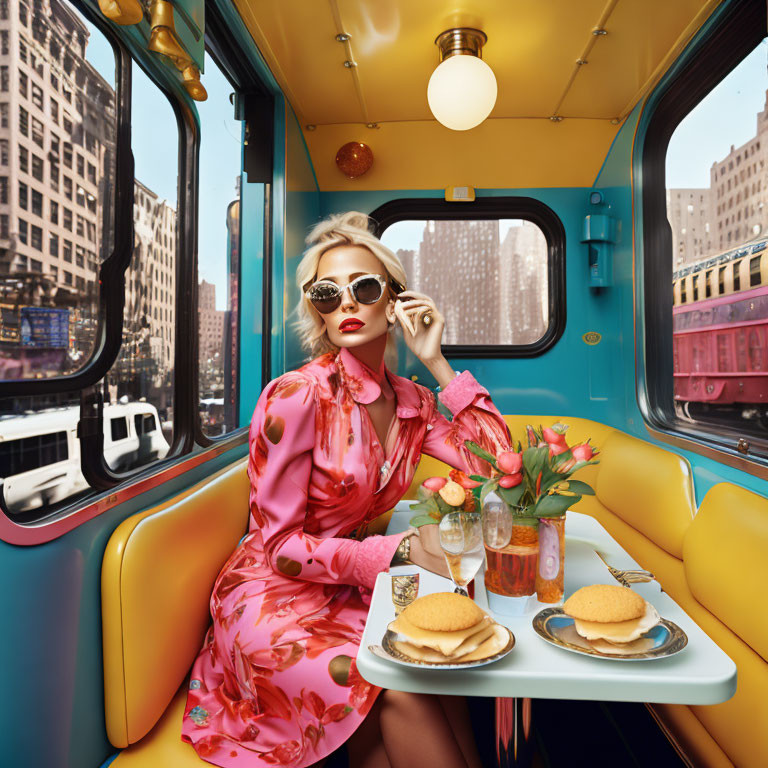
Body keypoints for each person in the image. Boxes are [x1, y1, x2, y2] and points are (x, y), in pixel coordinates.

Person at [182, 212, 512, 767]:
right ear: (318, 310)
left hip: (352, 588)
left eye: (363, 288)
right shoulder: (297, 396)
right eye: (327, 295)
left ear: (394, 300)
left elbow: (498, 467)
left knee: (426, 669)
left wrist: (436, 359)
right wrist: (400, 551)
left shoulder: (414, 402)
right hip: (272, 596)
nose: (347, 305)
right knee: (399, 684)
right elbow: (279, 547)